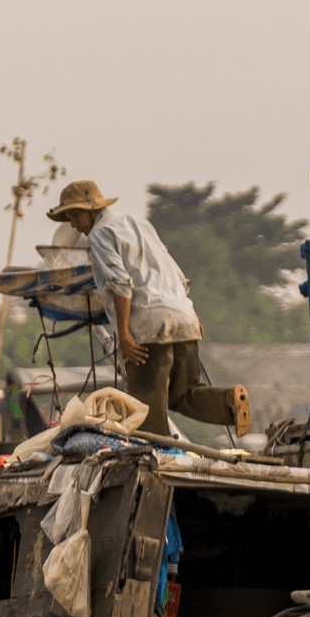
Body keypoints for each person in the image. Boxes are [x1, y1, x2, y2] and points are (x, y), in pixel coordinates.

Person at [47, 180, 250, 438]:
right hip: (183, 317)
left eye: (75, 217)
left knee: (145, 408)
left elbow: (121, 284)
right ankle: (229, 402)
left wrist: (124, 333)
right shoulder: (138, 223)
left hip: (148, 327)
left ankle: (156, 460)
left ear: (91, 211)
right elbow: (177, 274)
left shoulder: (100, 234)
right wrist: (191, 315)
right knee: (184, 393)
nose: (74, 225)